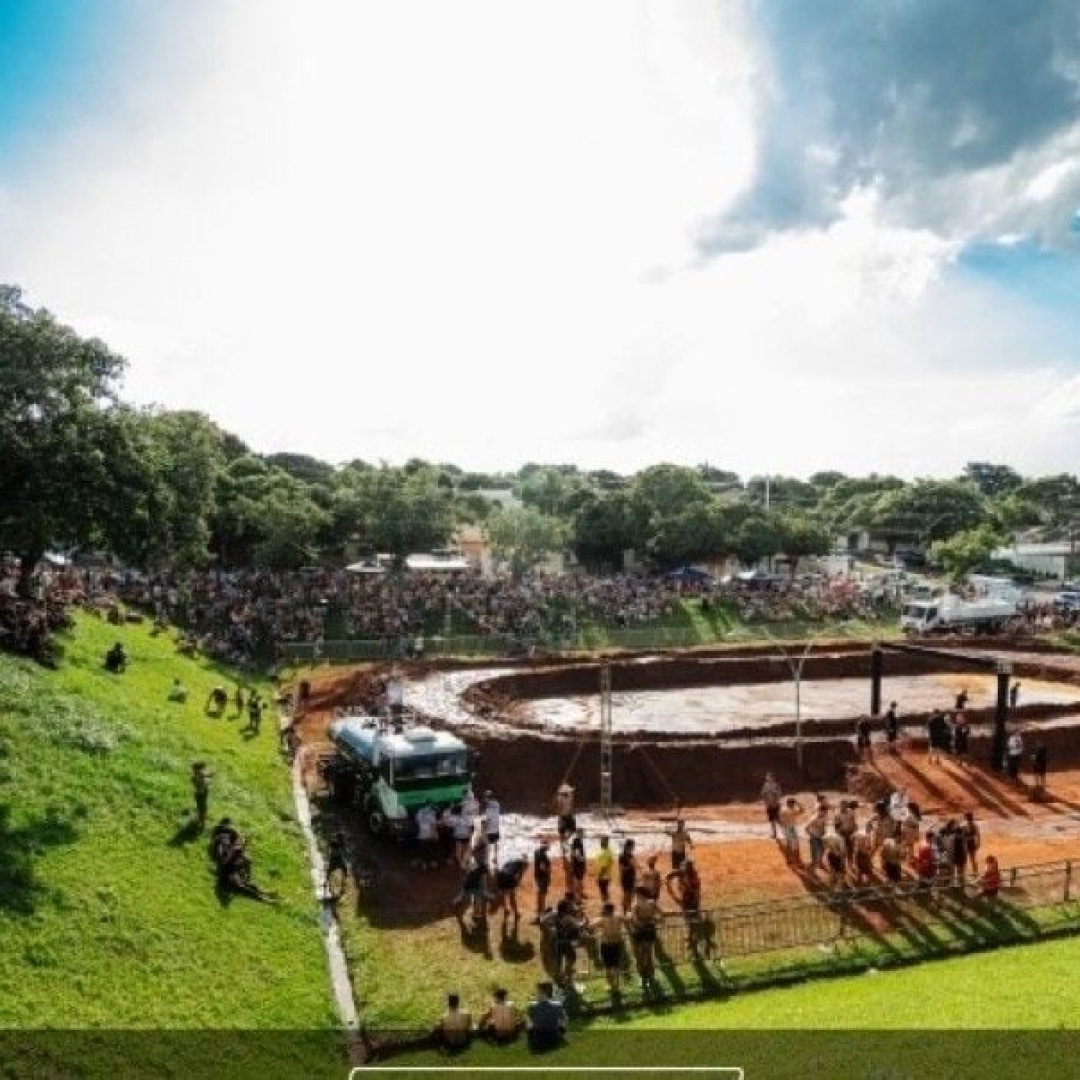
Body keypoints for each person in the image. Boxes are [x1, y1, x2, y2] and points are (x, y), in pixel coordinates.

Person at [595, 902, 626, 997]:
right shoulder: (618, 916)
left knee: (608, 967)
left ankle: (611, 986)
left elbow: (591, 926)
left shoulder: (602, 919)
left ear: (606, 909)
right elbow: (628, 919)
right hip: (617, 943)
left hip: (606, 945)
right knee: (616, 966)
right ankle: (616, 986)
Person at [526, 981, 568, 1052]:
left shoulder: (532, 1006)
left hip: (538, 1040)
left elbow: (529, 1025)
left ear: (542, 993)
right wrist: (562, 1029)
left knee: (528, 1020)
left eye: (537, 992)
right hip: (554, 1037)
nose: (536, 994)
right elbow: (565, 1019)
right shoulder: (558, 1005)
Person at [492, 857, 528, 922]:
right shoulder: (521, 864)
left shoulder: (510, 861)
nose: (525, 869)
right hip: (508, 878)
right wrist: (517, 883)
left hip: (501, 876)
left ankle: (506, 910)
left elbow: (501, 869)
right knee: (511, 898)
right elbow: (520, 875)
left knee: (503, 895)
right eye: (526, 867)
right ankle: (516, 913)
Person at [778, 796, 805, 863]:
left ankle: (789, 859)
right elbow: (802, 811)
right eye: (793, 804)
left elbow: (779, 820)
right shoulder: (790, 810)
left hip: (786, 828)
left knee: (789, 844)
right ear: (791, 804)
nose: (793, 805)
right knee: (794, 844)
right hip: (790, 828)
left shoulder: (783, 809)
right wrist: (798, 803)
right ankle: (796, 859)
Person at [325, 829, 349, 896]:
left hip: (337, 859)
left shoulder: (341, 843)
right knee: (343, 870)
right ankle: (329, 885)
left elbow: (328, 847)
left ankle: (341, 885)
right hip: (336, 860)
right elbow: (345, 852)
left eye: (342, 838)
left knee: (343, 870)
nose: (342, 839)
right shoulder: (335, 843)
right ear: (339, 838)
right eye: (341, 838)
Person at [533, 839, 552, 917]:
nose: (549, 847)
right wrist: (549, 874)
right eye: (548, 845)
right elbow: (542, 867)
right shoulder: (543, 855)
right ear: (545, 846)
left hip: (537, 876)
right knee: (542, 895)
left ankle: (539, 911)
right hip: (543, 878)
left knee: (539, 894)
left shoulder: (536, 852)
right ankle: (542, 913)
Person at [761, 772, 783, 839]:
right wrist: (766, 802)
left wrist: (776, 802)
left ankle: (785, 831)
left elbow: (779, 794)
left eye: (769, 777)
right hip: (769, 805)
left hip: (775, 805)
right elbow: (763, 794)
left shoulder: (776, 785)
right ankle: (774, 833)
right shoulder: (765, 786)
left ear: (773, 778)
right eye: (767, 777)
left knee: (778, 819)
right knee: (771, 820)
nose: (768, 778)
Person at [618, 838, 637, 915]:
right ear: (628, 846)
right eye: (633, 846)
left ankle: (628, 911)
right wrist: (630, 865)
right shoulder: (622, 856)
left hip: (632, 878)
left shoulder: (631, 855)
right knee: (626, 896)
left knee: (632, 895)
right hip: (625, 879)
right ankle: (624, 912)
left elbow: (634, 866)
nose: (634, 848)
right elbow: (621, 869)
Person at [482, 791, 501, 866]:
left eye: (485, 797)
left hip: (489, 829)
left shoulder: (488, 808)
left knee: (487, 844)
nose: (484, 799)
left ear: (487, 797)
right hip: (496, 826)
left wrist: (484, 829)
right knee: (495, 843)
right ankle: (495, 857)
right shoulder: (497, 804)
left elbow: (488, 819)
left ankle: (487, 860)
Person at [191, 762, 212, 827]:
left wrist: (209, 776)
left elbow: (206, 776)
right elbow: (201, 787)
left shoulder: (200, 775)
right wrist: (206, 782)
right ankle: (201, 822)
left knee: (202, 807)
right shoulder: (196, 777)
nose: (203, 770)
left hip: (202, 795)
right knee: (202, 808)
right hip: (200, 795)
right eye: (202, 768)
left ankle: (201, 819)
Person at [595, 834, 614, 904]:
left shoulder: (605, 852)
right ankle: (606, 904)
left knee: (603, 891)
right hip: (607, 875)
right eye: (601, 841)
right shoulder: (608, 850)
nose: (600, 842)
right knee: (605, 891)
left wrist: (599, 876)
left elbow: (604, 867)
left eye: (602, 841)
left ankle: (606, 904)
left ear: (606, 842)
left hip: (603, 876)